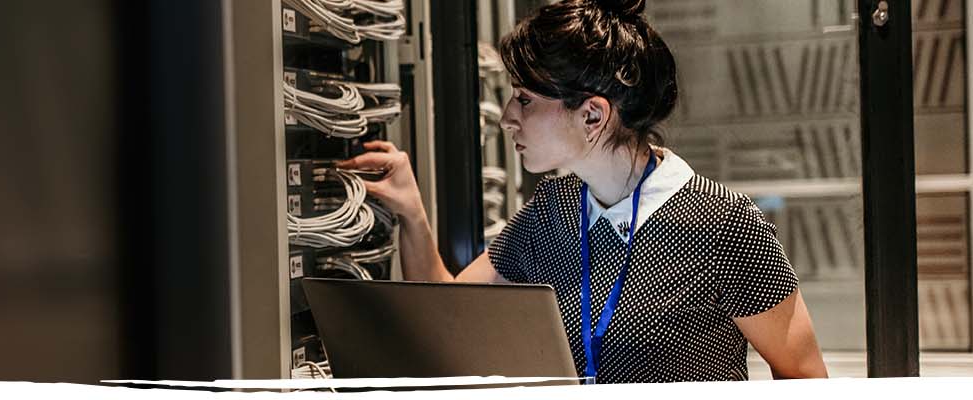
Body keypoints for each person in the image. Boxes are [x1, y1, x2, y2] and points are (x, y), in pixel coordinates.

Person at [337, 0, 828, 383]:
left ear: (592, 115)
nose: (508, 117)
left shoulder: (722, 221)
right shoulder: (553, 209)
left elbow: (804, 378)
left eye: (525, 100)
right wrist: (411, 214)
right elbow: (445, 315)